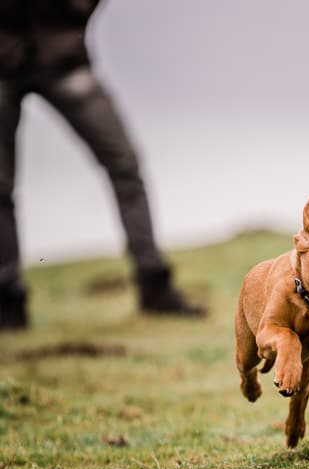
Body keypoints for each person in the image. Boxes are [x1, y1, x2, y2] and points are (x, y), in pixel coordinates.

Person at [0, 0, 204, 331]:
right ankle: (7, 301)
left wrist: (70, 18)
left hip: (64, 59)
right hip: (4, 64)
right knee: (0, 185)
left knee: (125, 165)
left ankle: (154, 284)